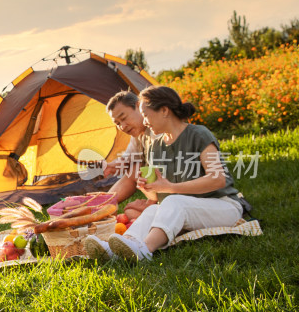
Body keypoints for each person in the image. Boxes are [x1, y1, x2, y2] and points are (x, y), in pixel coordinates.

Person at [84, 86, 247, 261]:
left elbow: (218, 179)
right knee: (154, 209)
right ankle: (122, 247)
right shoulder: (155, 146)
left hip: (222, 205)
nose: (145, 122)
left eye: (146, 115)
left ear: (164, 110)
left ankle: (145, 250)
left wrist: (170, 187)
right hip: (189, 208)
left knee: (174, 201)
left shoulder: (198, 134)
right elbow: (160, 196)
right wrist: (146, 187)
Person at [103, 90, 155, 221]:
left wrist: (151, 201)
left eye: (124, 118)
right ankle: (105, 204)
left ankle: (105, 205)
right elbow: (127, 158)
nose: (123, 126)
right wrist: (112, 165)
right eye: (118, 123)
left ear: (139, 106)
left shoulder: (157, 130)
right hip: (158, 189)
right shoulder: (138, 135)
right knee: (130, 212)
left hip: (175, 191)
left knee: (136, 170)